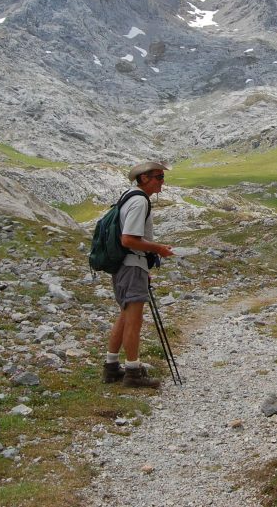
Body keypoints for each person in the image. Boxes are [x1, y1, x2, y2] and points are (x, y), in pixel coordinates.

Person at [102, 161, 175, 388]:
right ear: (144, 179)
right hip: (131, 265)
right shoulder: (139, 201)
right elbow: (129, 239)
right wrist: (158, 249)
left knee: (125, 315)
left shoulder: (129, 197)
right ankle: (133, 373)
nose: (162, 182)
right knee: (134, 319)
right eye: (159, 177)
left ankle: (111, 366)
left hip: (129, 266)